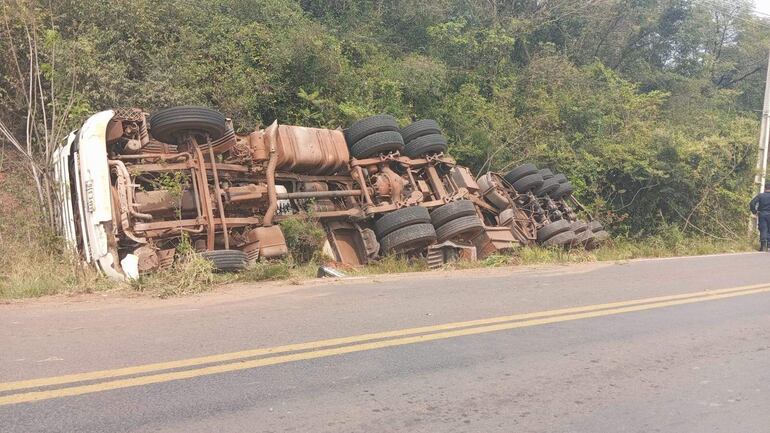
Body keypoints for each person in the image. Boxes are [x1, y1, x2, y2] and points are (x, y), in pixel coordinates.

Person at [750, 184, 770, 251]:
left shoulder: (760, 195)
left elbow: (752, 203)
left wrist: (754, 211)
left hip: (762, 214)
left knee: (763, 229)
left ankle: (763, 247)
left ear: (765, 188)